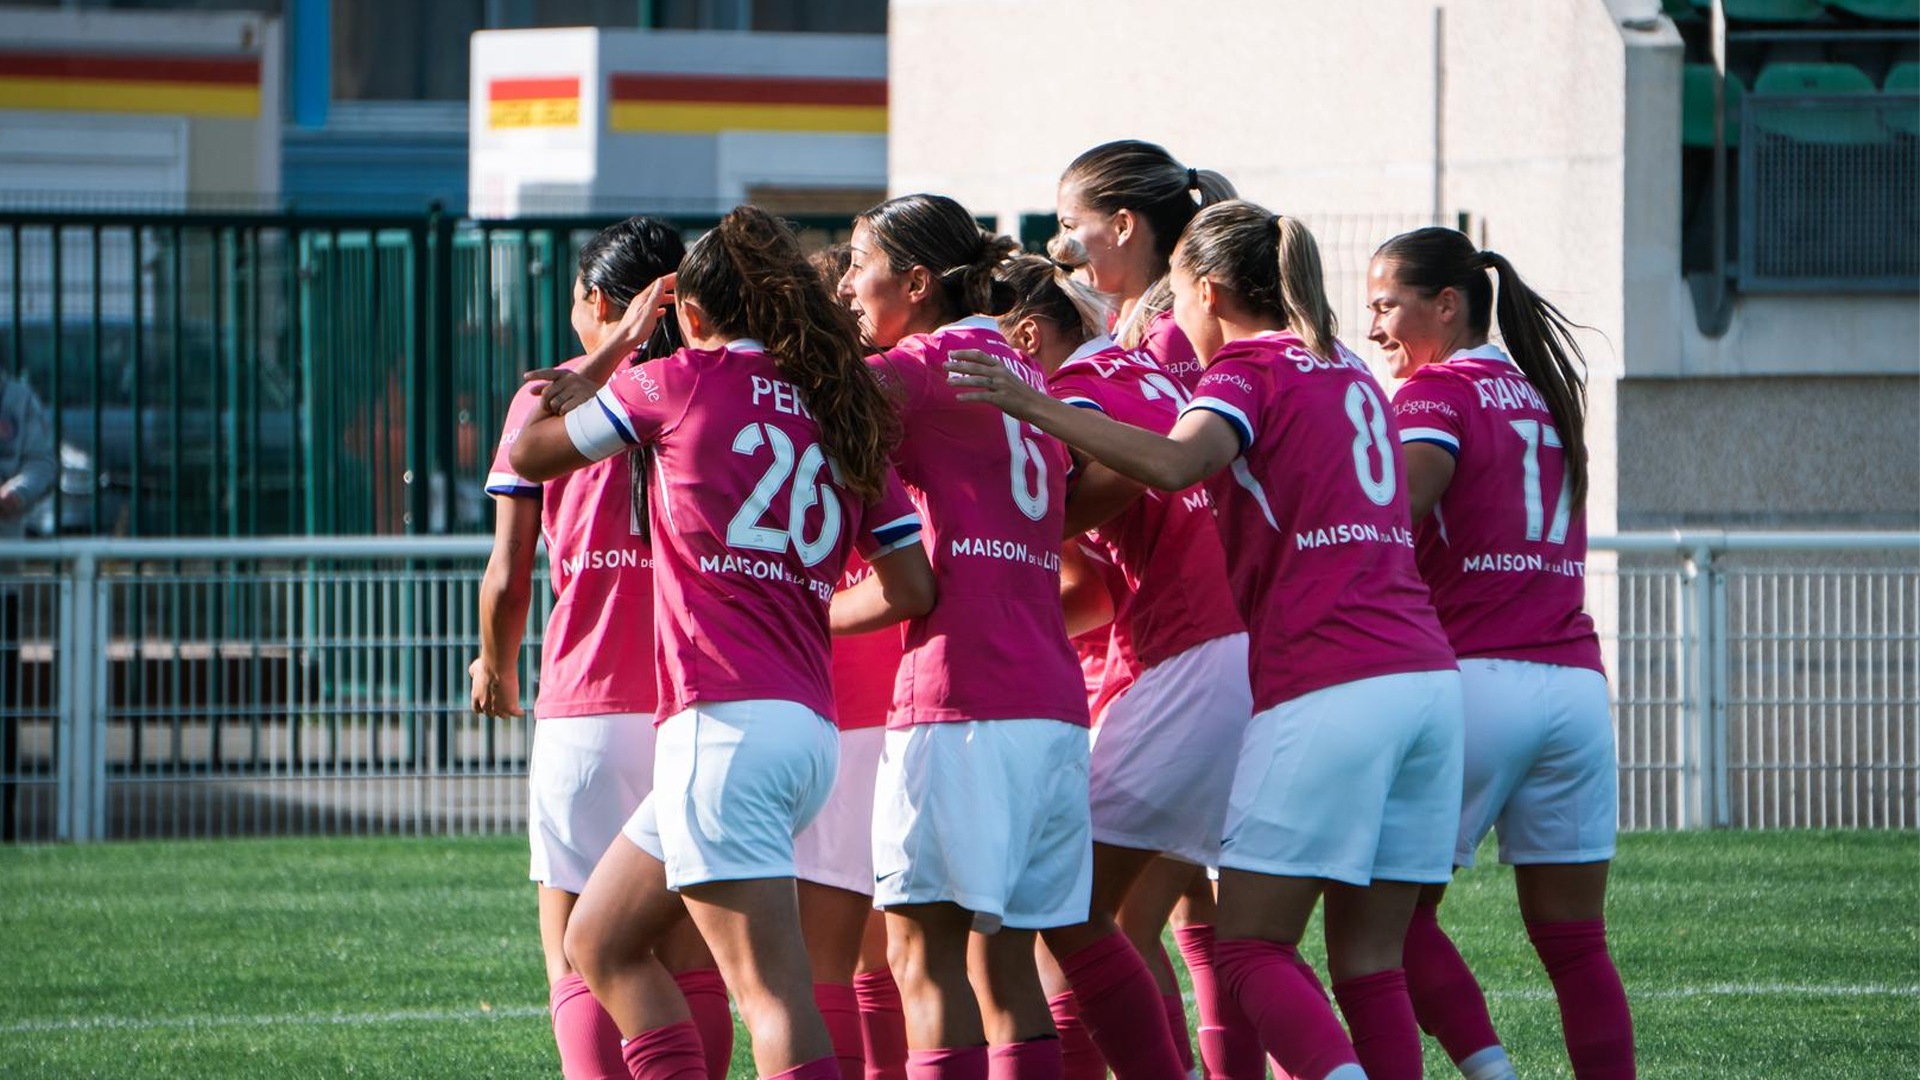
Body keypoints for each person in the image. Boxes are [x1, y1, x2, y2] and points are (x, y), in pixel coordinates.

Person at [946, 201, 1465, 1080]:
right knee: (1367, 960)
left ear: (1209, 288)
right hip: (1425, 678)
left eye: (1177, 293)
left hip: (1320, 677)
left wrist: (1029, 404)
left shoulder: (1240, 372)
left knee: (1236, 943)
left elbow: (1175, 463)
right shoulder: (1344, 368)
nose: (1168, 318)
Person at [509, 205, 936, 1080]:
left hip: (722, 726)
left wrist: (619, 342)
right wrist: (801, 607)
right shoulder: (835, 401)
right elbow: (912, 586)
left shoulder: (677, 379)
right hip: (804, 728)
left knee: (769, 996)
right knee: (604, 937)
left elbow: (532, 449)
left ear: (691, 316)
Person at [471, 217, 739, 1080]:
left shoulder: (547, 399)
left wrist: (494, 661)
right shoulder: (701, 392)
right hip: (688, 708)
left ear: (596, 302)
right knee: (692, 956)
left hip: (586, 711)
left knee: (578, 950)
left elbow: (510, 573)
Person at [838, 193, 1094, 1078]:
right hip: (1051, 702)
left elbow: (816, 411)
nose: (844, 286)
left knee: (923, 959)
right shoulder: (1021, 368)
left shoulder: (916, 365)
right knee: (1007, 959)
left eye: (857, 264)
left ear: (915, 281)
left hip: (962, 699)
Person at [1370, 227, 1632, 1080]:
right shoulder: (1543, 394)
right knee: (1577, 947)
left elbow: (1393, 516)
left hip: (1478, 679)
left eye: (1385, 306)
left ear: (1446, 305)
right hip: (1577, 688)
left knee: (1386, 921)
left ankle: (1492, 1074)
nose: (1374, 327)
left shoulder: (1433, 395)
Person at [994, 254, 1254, 1080]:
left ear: (1027, 336)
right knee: (1189, 932)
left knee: (1069, 923)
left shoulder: (1069, 396)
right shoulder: (1139, 365)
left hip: (1188, 659)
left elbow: (1100, 508)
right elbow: (1100, 590)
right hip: (1225, 651)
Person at [1054, 140, 1235, 387]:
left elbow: (1166, 427)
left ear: (1122, 227)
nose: (1059, 246)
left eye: (1069, 227)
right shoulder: (1113, 323)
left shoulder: (1171, 334)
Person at [0, 368, 55, 845]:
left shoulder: (16, 400)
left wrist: (15, 493)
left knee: (2, 714)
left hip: (3, 585)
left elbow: (41, 465)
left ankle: (4, 823)